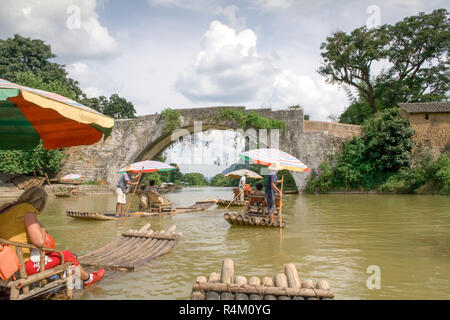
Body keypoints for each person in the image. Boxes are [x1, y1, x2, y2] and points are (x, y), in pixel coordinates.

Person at [0, 186, 105, 287]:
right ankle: (88, 279)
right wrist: (41, 227)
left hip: (3, 260)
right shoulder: (28, 210)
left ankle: (69, 275)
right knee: (68, 255)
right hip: (20, 266)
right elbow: (39, 242)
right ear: (40, 202)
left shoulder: (5, 207)